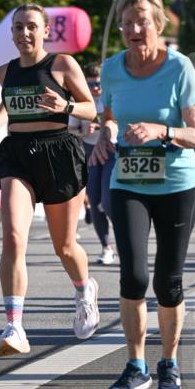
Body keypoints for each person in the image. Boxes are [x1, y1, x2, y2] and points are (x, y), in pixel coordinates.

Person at [91, 0, 195, 389]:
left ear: (158, 24)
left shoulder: (180, 68)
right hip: (128, 182)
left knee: (168, 281)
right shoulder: (112, 68)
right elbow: (108, 115)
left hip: (177, 184)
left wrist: (163, 131)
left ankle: (169, 364)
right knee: (134, 275)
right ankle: (136, 366)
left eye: (141, 21)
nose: (133, 29)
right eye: (126, 23)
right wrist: (104, 136)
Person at [0, 3, 100, 357]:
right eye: (18, 27)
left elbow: (91, 108)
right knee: (14, 235)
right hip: (17, 154)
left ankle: (84, 290)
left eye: (31, 26)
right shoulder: (5, 71)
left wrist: (63, 107)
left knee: (64, 246)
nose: (24, 34)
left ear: (46, 30)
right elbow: (9, 102)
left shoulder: (62, 65)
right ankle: (14, 326)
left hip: (58, 152)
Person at [78, 63, 116, 264]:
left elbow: (120, 122)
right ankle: (106, 246)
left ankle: (124, 235)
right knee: (94, 200)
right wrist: (83, 131)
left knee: (107, 201)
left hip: (111, 152)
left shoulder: (112, 99)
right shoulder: (83, 102)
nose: (95, 88)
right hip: (90, 153)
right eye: (90, 84)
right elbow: (71, 129)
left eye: (98, 83)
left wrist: (102, 126)